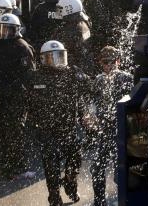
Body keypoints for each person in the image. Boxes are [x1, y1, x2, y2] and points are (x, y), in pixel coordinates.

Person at [28, 41, 90, 206]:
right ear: (43, 59)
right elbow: (26, 102)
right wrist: (29, 122)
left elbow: (82, 95)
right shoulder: (35, 76)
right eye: (51, 58)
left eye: (59, 56)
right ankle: (54, 196)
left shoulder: (72, 73)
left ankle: (70, 183)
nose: (56, 61)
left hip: (69, 127)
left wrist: (84, 115)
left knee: (75, 161)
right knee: (51, 165)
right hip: (46, 129)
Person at [0, 13, 35, 179]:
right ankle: (7, 166)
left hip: (16, 97)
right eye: (1, 30)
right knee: (2, 132)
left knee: (15, 131)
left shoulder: (22, 47)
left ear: (16, 30)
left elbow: (28, 75)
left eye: (9, 30)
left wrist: (18, 92)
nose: (4, 34)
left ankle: (20, 167)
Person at [88, 45, 133, 205]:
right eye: (105, 62)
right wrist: (90, 114)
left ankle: (124, 201)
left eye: (111, 62)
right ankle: (99, 202)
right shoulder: (99, 80)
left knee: (121, 172)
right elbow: (92, 101)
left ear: (118, 61)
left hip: (121, 132)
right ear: (100, 63)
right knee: (97, 169)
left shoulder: (126, 78)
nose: (108, 65)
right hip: (104, 131)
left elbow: (132, 105)